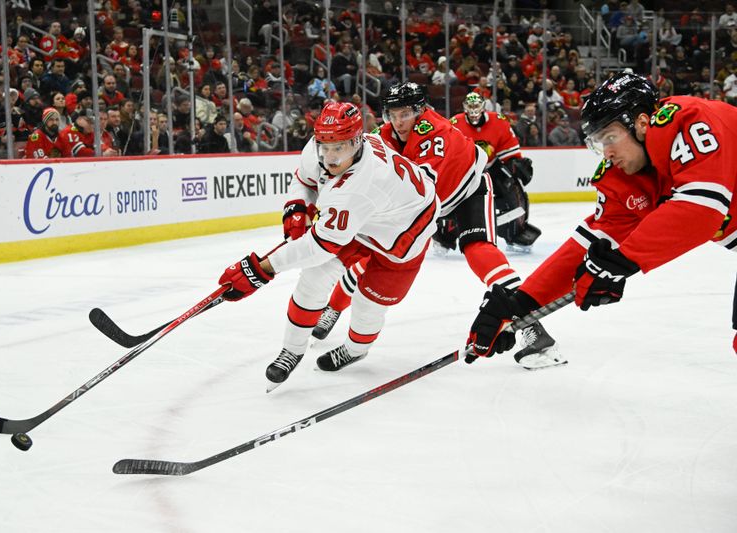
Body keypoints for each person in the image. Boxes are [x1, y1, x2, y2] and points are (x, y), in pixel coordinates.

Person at [466, 71, 737, 361]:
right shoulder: (626, 176)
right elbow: (593, 241)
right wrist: (519, 304)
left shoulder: (686, 119)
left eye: (610, 137)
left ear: (642, 123)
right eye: (598, 142)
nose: (606, 153)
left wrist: (623, 260)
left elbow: (701, 210)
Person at [315, 83, 565, 370]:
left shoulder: (433, 132)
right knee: (373, 255)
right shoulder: (382, 136)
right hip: (430, 206)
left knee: (478, 250)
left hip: (466, 192)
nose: (398, 122)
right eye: (393, 114)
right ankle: (333, 309)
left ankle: (532, 327)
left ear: (421, 111)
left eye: (406, 113)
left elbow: (419, 186)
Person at [217, 102, 439, 387]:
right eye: (326, 146)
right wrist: (297, 207)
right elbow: (304, 180)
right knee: (314, 278)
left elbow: (319, 247)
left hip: (404, 233)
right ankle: (292, 350)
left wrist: (260, 270)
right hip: (365, 219)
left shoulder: (361, 186)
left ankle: (356, 350)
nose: (330, 157)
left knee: (368, 303)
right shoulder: (322, 143)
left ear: (358, 141)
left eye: (340, 148)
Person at [451, 92, 542, 253]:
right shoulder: (454, 124)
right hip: (465, 170)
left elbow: (510, 152)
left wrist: (516, 165)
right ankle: (445, 236)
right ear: (464, 107)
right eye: (470, 106)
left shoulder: (498, 121)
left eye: (476, 106)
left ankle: (516, 232)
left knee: (515, 189)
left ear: (483, 107)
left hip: (492, 167)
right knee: (447, 193)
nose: (473, 110)